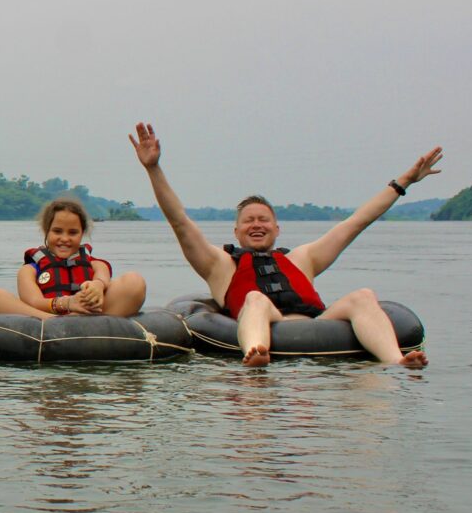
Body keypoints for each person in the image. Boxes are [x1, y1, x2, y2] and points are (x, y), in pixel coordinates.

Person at [129, 122, 440, 367]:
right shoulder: (220, 265)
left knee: (363, 296)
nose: (256, 224)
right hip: (263, 320)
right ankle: (255, 352)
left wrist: (405, 181)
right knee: (255, 298)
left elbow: (356, 222)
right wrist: (153, 168)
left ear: (277, 229)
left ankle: (397, 362)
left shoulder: (304, 259)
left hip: (316, 325)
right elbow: (180, 221)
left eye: (263, 219)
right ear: (236, 232)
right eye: (249, 220)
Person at [0, 198, 147, 319]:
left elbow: (102, 277)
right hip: (47, 318)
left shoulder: (95, 264)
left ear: (82, 234)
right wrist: (68, 303)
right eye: (57, 231)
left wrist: (96, 287)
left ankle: (98, 325)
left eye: (73, 233)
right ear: (46, 231)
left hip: (92, 317)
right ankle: (54, 324)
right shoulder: (30, 270)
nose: (64, 238)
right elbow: (33, 301)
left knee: (135, 281)